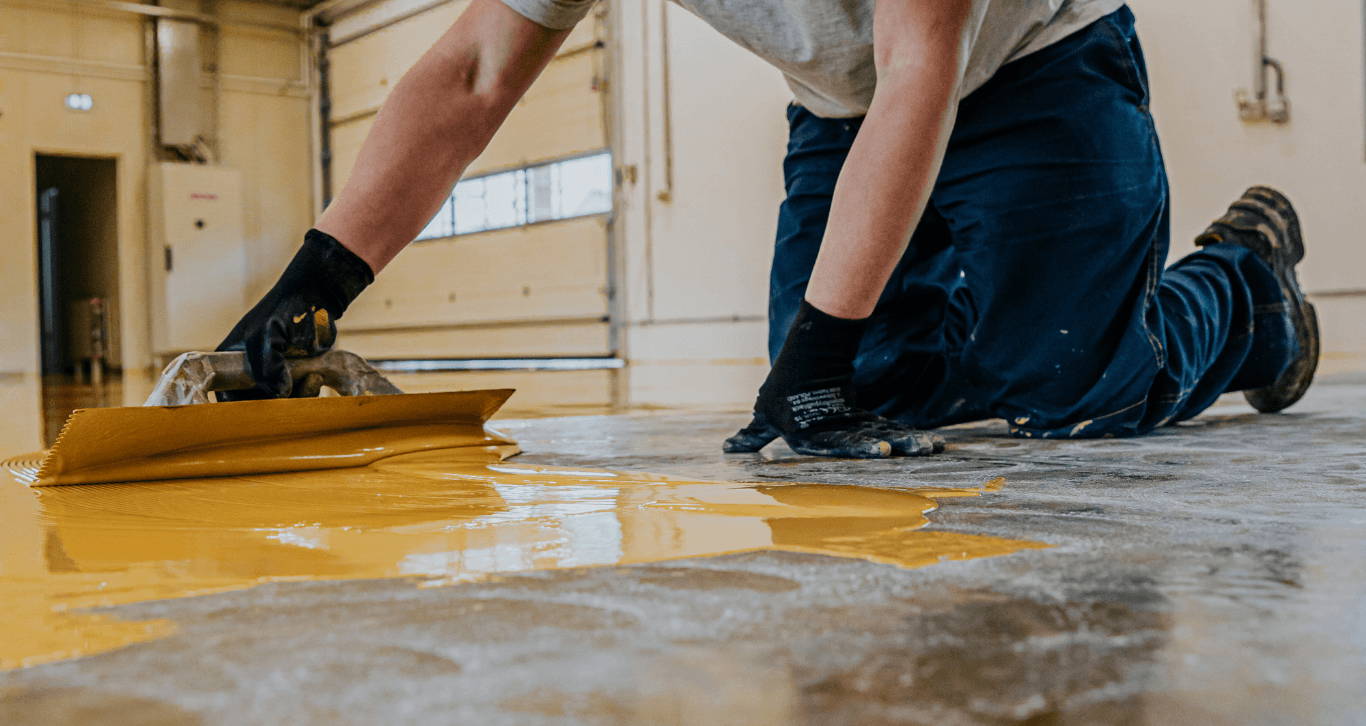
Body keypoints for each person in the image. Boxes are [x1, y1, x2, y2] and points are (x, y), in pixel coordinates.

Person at [218, 0, 1318, 460]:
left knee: (1078, 389)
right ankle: (1007, 323)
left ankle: (1247, 289)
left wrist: (816, 355)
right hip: (845, 109)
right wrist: (312, 289)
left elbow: (920, 65)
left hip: (1034, 69)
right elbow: (471, 73)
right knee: (866, 388)